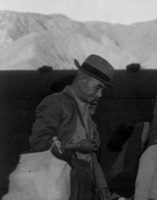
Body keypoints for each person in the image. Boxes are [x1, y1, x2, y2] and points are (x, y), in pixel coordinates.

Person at [29, 54, 114, 200]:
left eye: (103, 90)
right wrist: (77, 146)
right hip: (55, 185)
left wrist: (102, 186)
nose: (100, 95)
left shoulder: (86, 111)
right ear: (82, 79)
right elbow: (39, 143)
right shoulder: (55, 102)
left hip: (81, 185)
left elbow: (90, 156)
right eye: (98, 87)